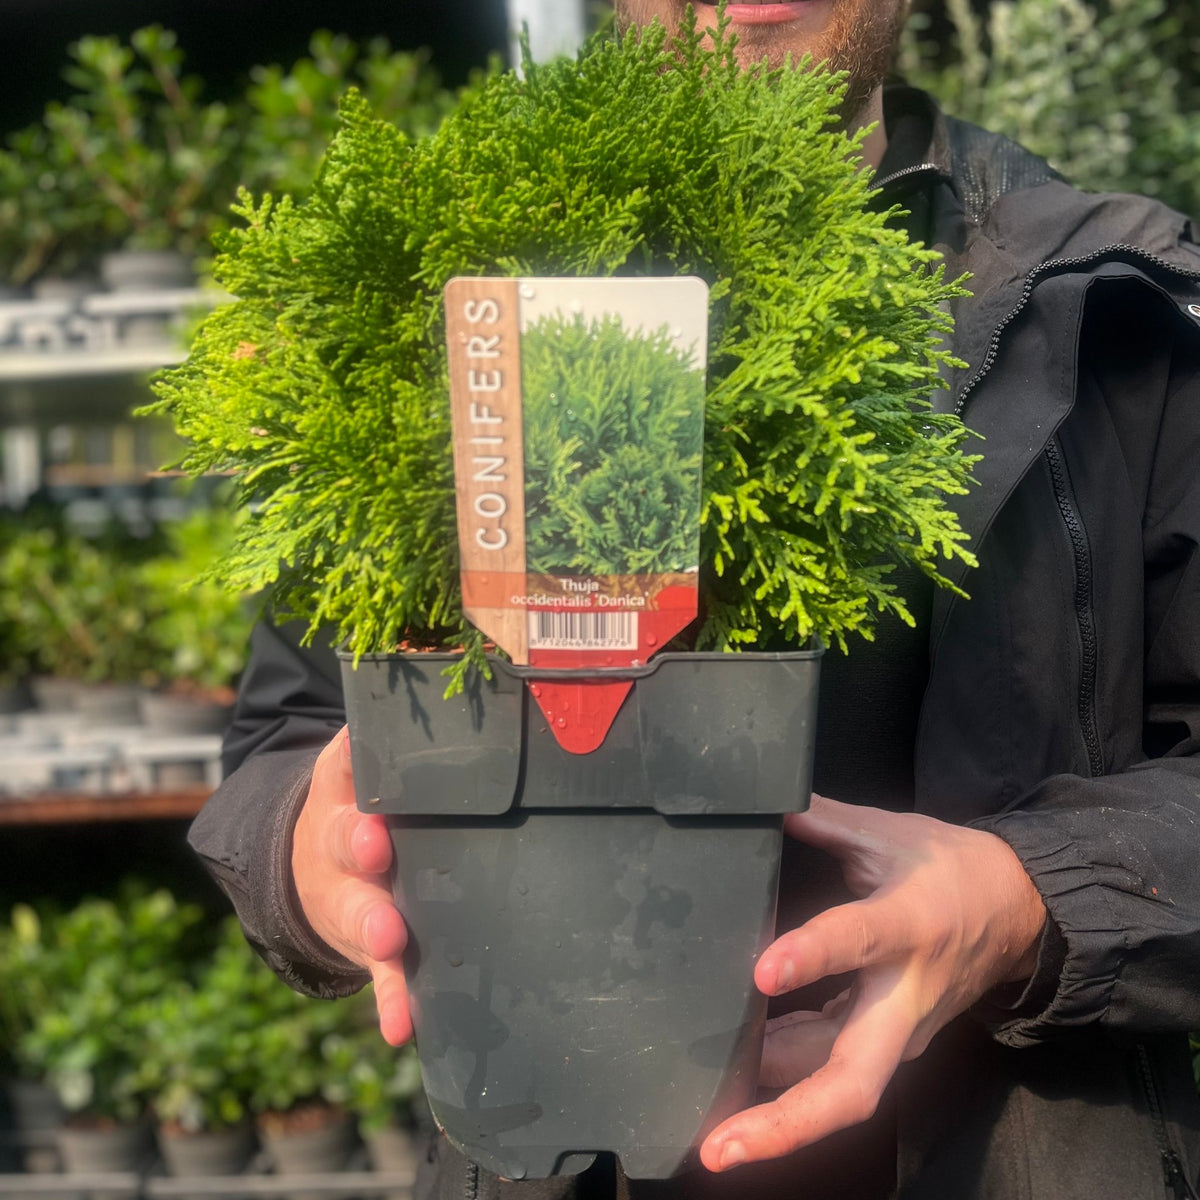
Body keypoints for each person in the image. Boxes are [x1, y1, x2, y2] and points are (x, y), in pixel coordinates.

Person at [189, 1, 1200, 1197]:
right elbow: (283, 742)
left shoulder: (1122, 308)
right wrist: (304, 847)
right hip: (545, 1117)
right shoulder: (444, 278)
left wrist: (1027, 898)